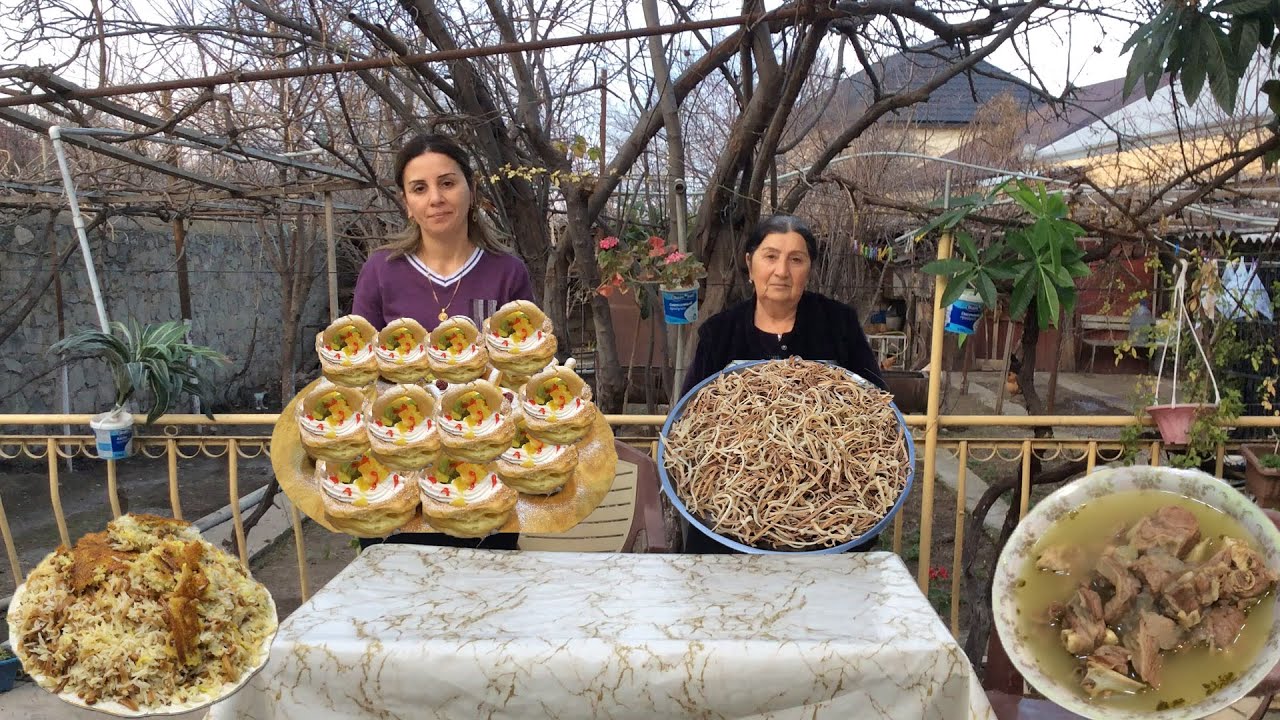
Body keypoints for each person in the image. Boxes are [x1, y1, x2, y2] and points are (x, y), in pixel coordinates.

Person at [351, 133, 535, 551]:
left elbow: (523, 373)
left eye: (447, 183)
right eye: (419, 188)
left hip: (482, 478)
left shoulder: (507, 272)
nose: (435, 198)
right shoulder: (381, 270)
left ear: (471, 189)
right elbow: (358, 373)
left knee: (484, 585)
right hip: (396, 477)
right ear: (407, 203)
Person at [678, 214, 888, 554]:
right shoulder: (720, 332)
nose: (781, 271)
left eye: (796, 259)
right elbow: (689, 417)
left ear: (809, 269)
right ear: (750, 264)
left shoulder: (839, 324)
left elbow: (877, 406)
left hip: (828, 526)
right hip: (730, 527)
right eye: (771, 256)